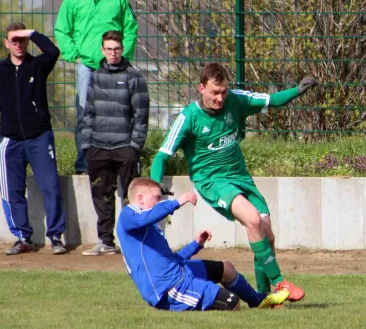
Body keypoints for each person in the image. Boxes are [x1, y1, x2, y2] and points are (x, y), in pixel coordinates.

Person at [149, 63, 318, 301]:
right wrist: (155, 188)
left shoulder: (235, 100)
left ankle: (263, 296)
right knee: (252, 219)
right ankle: (280, 282)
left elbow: (271, 100)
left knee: (267, 237)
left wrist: (297, 90)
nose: (220, 98)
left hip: (240, 176)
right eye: (214, 93)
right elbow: (162, 156)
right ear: (201, 89)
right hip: (212, 181)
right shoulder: (188, 118)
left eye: (224, 92)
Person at [117, 177, 291, 311]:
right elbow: (145, 218)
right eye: (156, 197)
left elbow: (171, 260)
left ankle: (259, 301)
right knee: (233, 303)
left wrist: (196, 244)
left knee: (227, 268)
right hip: (170, 289)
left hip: (180, 273)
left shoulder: (149, 227)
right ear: (140, 199)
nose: (160, 201)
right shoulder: (128, 215)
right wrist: (177, 202)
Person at [0, 23, 67, 255]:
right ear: (6, 43)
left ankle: (56, 237)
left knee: (50, 187)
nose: (18, 44)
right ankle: (23, 237)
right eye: (14, 40)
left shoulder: (38, 65)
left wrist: (31, 33)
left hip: (39, 138)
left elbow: (52, 52)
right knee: (13, 191)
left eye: (22, 39)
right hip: (10, 142)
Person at [55, 0, 138, 175]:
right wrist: (74, 55)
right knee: (84, 113)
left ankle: (119, 159)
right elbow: (62, 29)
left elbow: (130, 27)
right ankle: (83, 162)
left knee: (119, 112)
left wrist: (124, 54)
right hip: (88, 65)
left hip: (115, 64)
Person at [80, 30, 149, 256]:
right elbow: (88, 112)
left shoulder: (134, 76)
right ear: (102, 50)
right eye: (108, 49)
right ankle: (106, 242)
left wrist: (135, 147)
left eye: (116, 49)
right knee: (102, 196)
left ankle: (136, 242)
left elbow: (141, 115)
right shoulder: (96, 76)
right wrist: (87, 144)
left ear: (122, 49)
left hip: (125, 149)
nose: (112, 53)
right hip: (98, 148)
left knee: (132, 196)